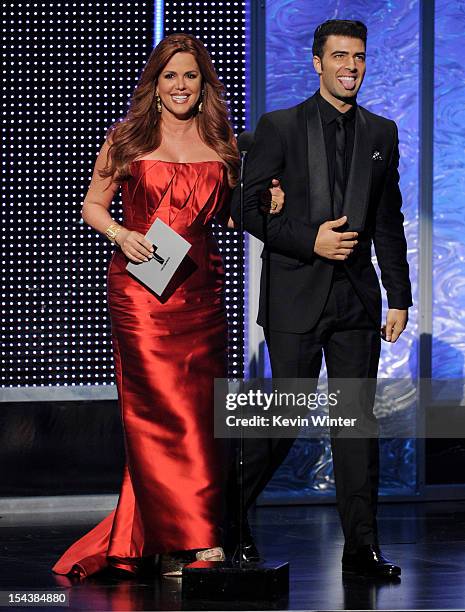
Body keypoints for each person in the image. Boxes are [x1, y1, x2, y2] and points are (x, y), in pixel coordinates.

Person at [52, 33, 284, 579]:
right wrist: (120, 233)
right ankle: (192, 540)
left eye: (191, 76)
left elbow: (227, 218)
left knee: (201, 419)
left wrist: (267, 200)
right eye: (170, 76)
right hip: (141, 296)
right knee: (158, 416)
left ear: (204, 86)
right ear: (155, 86)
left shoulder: (224, 144)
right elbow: (91, 204)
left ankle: (162, 533)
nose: (181, 86)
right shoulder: (127, 138)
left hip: (201, 294)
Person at [230, 20, 412, 578]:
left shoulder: (381, 133)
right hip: (295, 297)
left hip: (357, 299)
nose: (350, 67)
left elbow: (387, 220)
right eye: (339, 57)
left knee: (357, 424)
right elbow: (245, 210)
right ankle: (228, 519)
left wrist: (399, 297)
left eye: (358, 57)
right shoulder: (279, 127)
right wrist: (311, 239)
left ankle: (360, 549)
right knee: (281, 419)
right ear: (316, 62)